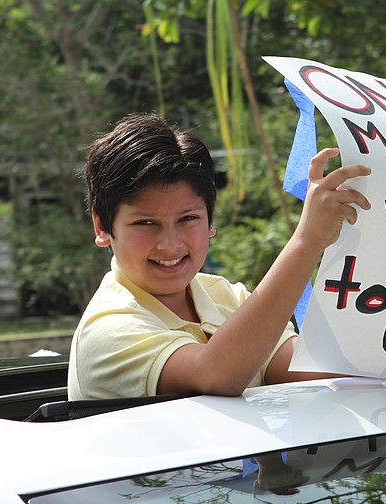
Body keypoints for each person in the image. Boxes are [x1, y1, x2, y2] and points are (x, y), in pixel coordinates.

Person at [68, 114, 370, 399]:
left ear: (210, 221)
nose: (169, 244)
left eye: (187, 219)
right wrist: (309, 240)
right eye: (145, 223)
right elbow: (214, 376)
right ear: (102, 226)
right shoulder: (107, 330)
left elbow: (307, 367)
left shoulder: (226, 297)